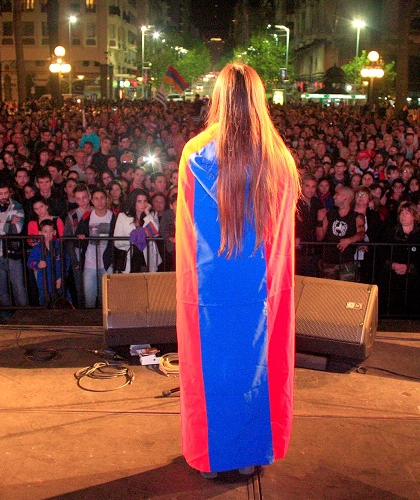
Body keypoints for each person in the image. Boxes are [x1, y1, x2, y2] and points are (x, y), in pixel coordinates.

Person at [175, 63, 299, 477]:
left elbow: (187, 232)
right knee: (256, 368)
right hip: (259, 293)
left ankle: (210, 454)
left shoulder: (195, 153)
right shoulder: (279, 159)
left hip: (209, 292)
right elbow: (281, 241)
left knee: (211, 372)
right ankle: (250, 452)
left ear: (219, 98)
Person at [0, 182, 27, 308]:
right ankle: (7, 316)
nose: (3, 196)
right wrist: (8, 223)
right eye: (0, 193)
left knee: (18, 286)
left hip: (13, 252)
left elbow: (17, 229)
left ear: (10, 192)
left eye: (5, 193)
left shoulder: (17, 206)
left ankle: (24, 316)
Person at [76, 187, 116, 308]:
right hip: (89, 262)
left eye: (102, 198)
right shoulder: (86, 217)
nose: (100, 201)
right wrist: (81, 237)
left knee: (106, 298)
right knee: (89, 298)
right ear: (92, 200)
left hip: (107, 262)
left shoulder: (113, 217)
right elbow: (78, 237)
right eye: (96, 198)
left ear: (107, 199)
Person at [113, 188, 160, 273]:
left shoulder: (151, 214)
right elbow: (117, 242)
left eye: (145, 201)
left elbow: (156, 233)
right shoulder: (123, 216)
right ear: (133, 202)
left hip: (148, 258)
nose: (143, 204)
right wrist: (133, 239)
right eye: (139, 201)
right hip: (130, 258)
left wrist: (147, 213)